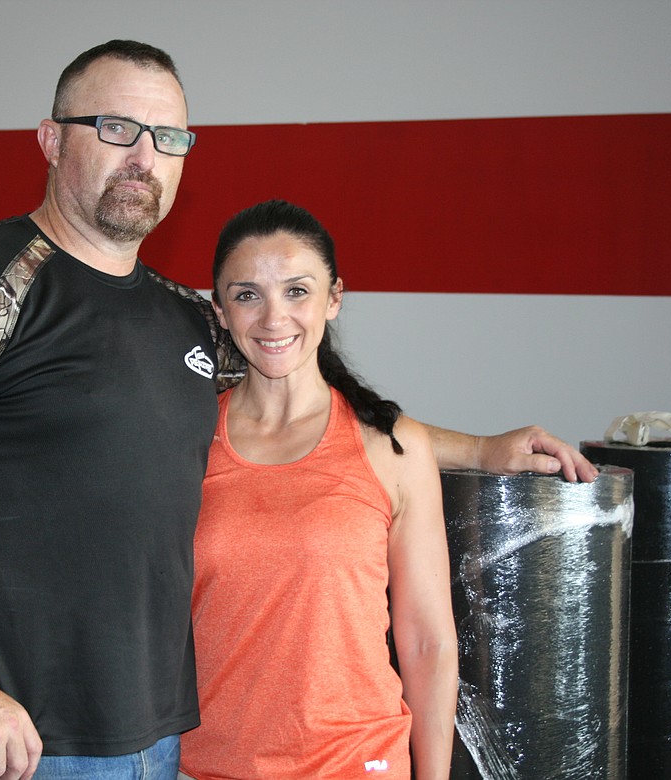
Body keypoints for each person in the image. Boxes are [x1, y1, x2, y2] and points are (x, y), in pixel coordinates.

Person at [0, 40, 597, 780]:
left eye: (168, 135)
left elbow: (309, 410)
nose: (143, 155)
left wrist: (482, 450)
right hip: (5, 738)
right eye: (116, 127)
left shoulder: (184, 320)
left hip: (162, 739)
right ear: (51, 140)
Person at [177, 200, 456, 779]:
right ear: (221, 312)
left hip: (356, 765)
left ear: (334, 299)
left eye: (298, 291)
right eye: (247, 294)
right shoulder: (185, 442)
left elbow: (428, 643)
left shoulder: (393, 446)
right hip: (206, 767)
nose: (274, 318)